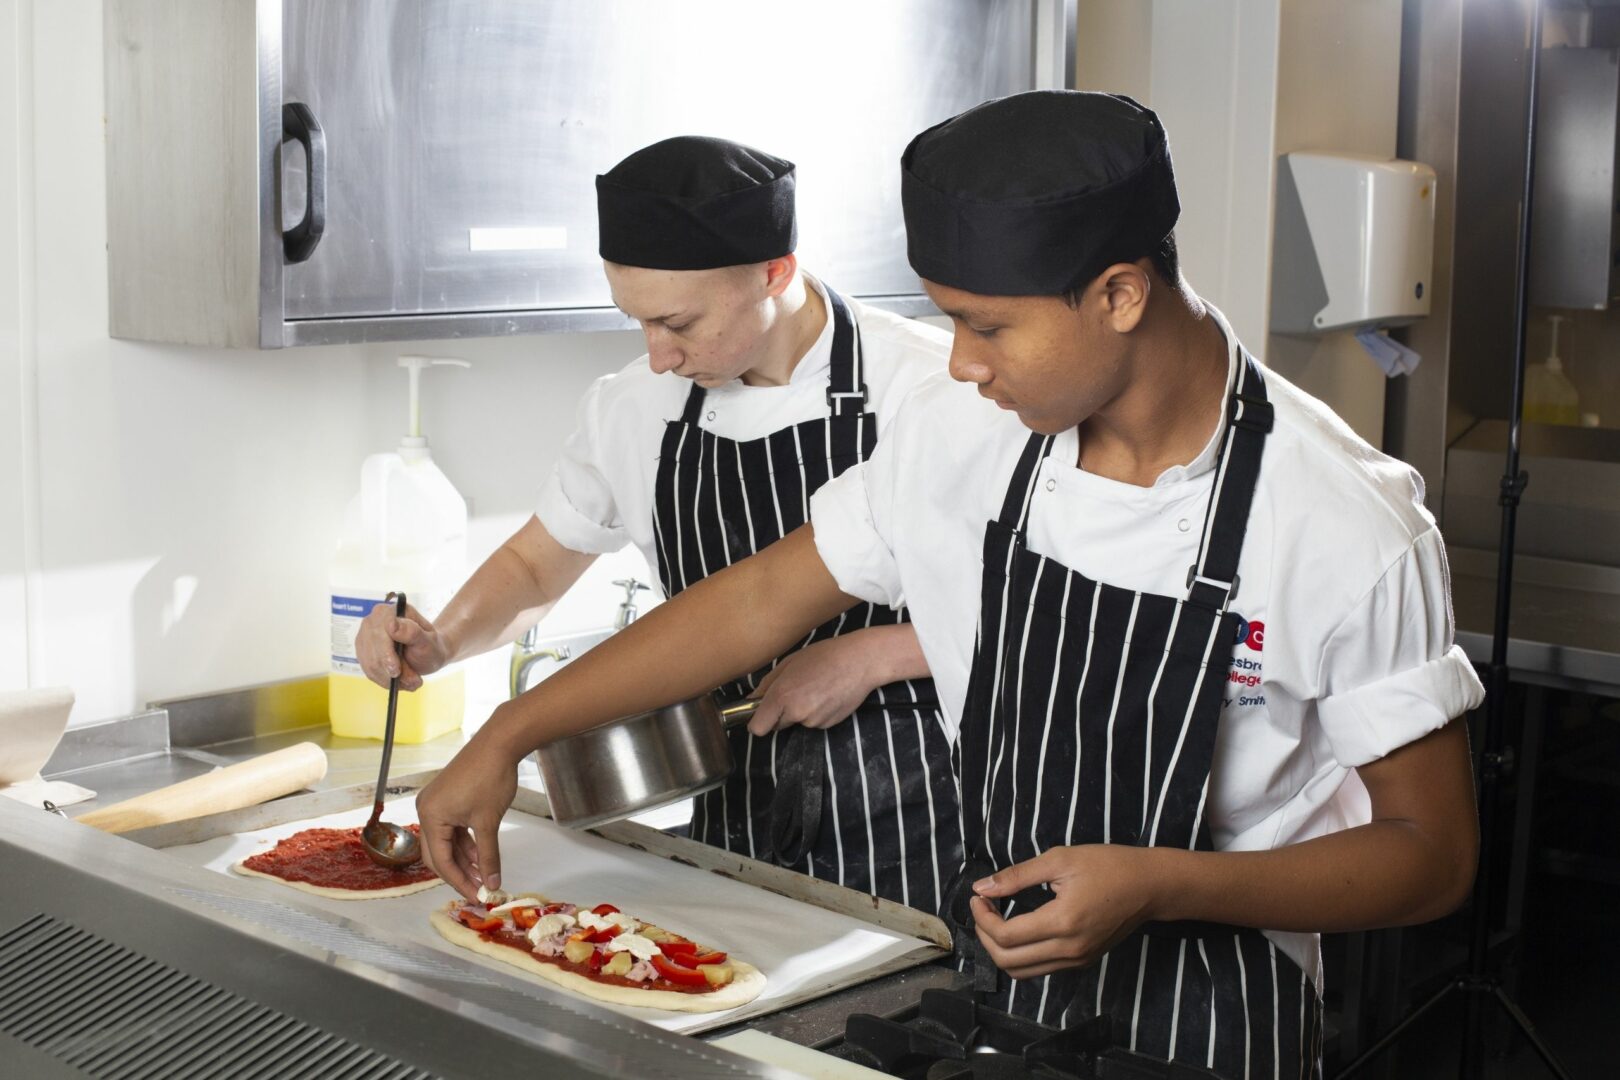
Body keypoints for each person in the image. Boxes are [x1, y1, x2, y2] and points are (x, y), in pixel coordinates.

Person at [417, 93, 1483, 1079]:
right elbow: (752, 603)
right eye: (950, 321)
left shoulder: (1346, 521)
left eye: (987, 325)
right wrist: (507, 734)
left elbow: (1431, 858)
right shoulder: (966, 437)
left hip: (1208, 1018)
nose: (960, 364)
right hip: (987, 992)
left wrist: (1163, 883)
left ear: (1119, 294)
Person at [356, 135, 962, 912]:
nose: (657, 357)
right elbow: (539, 566)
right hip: (728, 802)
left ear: (775, 271)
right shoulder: (634, 406)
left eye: (678, 323)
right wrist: (442, 640)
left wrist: (876, 655)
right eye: (635, 322)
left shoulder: (928, 386)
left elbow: (1034, 612)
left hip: (914, 809)